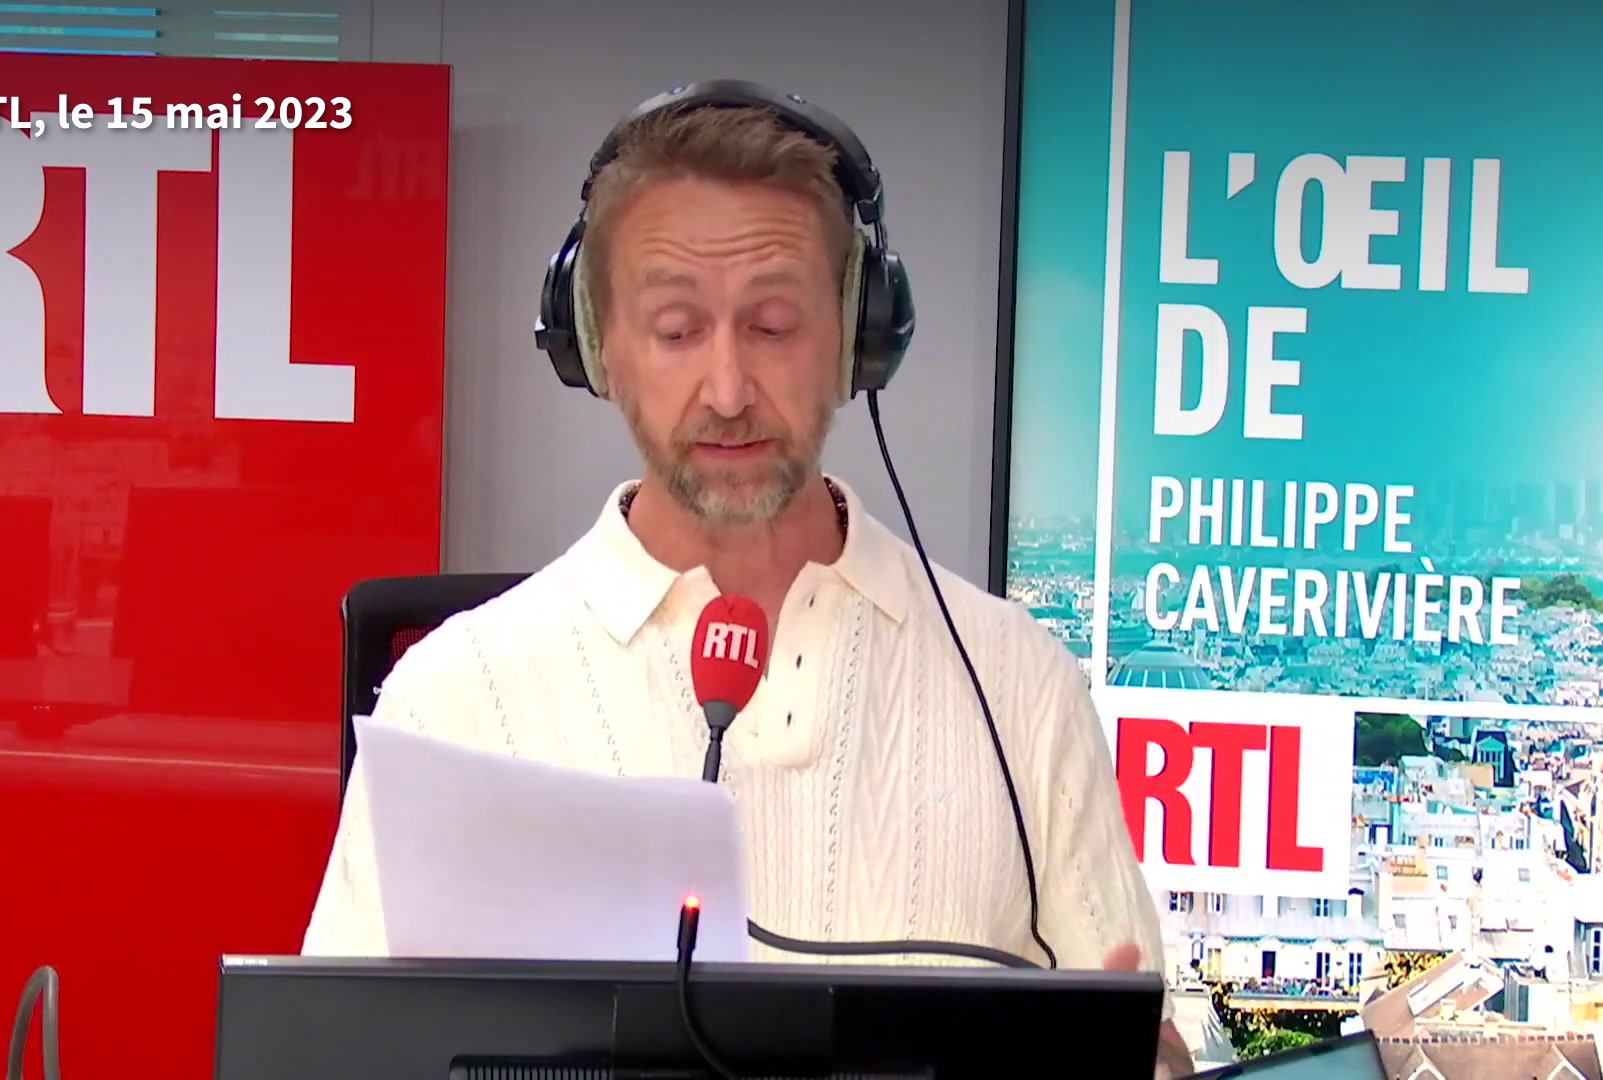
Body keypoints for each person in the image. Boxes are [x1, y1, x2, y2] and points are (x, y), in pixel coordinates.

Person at [304, 83, 1193, 1077]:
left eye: (772, 326)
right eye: (677, 331)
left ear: (858, 338)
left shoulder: (1021, 688)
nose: (728, 391)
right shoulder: (452, 700)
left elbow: (1145, 1048)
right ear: (597, 348)